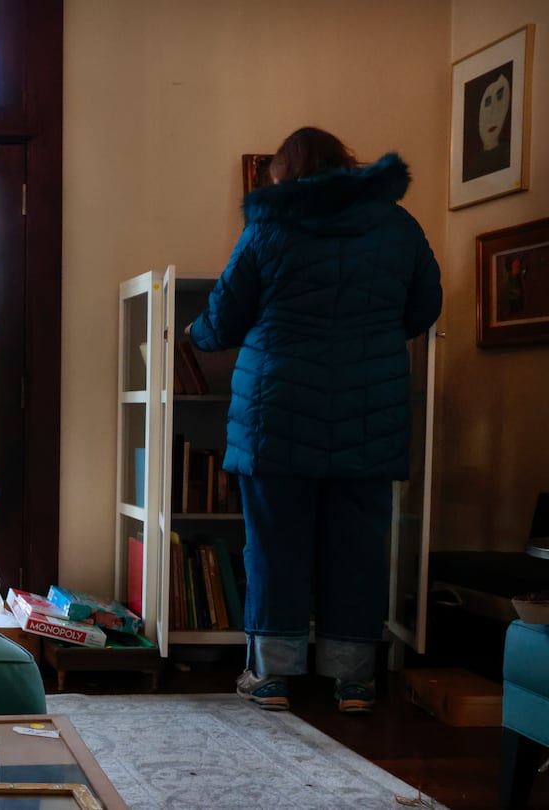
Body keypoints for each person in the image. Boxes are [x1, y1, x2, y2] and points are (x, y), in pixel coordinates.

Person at [186, 127, 442, 715]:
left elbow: (223, 321)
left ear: (284, 174)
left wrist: (192, 335)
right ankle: (354, 682)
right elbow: (425, 307)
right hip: (369, 410)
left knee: (275, 543)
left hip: (276, 412)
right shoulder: (397, 225)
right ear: (347, 165)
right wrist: (367, 341)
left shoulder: (270, 227)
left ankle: (273, 678)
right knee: (358, 545)